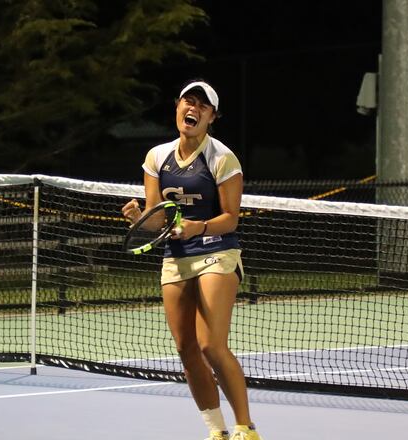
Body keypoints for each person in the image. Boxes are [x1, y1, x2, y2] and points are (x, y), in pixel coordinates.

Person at [122, 80, 262, 440]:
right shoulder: (157, 157)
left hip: (217, 251)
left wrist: (198, 227)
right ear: (177, 106)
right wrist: (139, 217)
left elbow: (231, 218)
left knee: (210, 345)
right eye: (189, 101)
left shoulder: (222, 158)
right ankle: (217, 431)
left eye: (202, 105)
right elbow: (157, 219)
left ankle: (245, 428)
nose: (193, 108)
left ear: (212, 117)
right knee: (186, 349)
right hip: (177, 256)